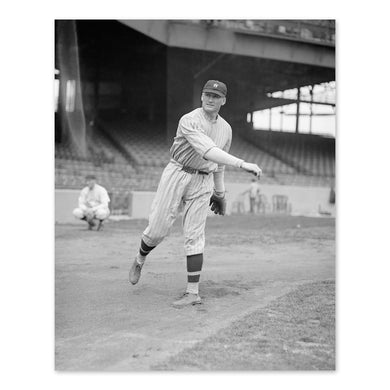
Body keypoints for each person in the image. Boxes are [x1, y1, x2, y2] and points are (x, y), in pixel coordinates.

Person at [128, 80, 262, 307]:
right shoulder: (189, 119)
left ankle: (192, 293)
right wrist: (242, 163)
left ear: (224, 100)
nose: (211, 99)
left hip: (203, 181)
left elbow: (218, 165)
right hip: (177, 173)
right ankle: (140, 259)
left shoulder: (226, 129)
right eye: (207, 94)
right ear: (201, 97)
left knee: (195, 235)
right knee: (158, 230)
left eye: (216, 96)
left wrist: (219, 192)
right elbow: (208, 151)